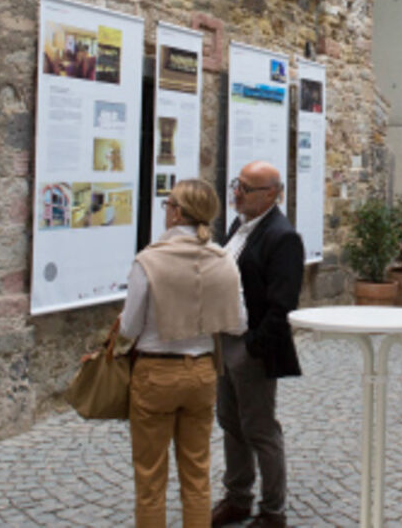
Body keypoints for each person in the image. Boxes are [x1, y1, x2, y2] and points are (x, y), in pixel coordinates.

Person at [120, 179, 244, 528]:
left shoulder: (150, 261)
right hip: (202, 371)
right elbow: (239, 322)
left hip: (156, 371)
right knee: (197, 473)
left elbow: (130, 327)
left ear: (176, 213)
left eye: (168, 205)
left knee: (150, 476)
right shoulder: (224, 261)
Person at [212, 162, 304, 528]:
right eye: (237, 184)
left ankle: (272, 510)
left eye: (246, 188)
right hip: (226, 339)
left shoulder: (282, 237)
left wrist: (252, 348)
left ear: (271, 194)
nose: (236, 192)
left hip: (251, 348)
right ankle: (238, 498)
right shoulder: (239, 225)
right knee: (230, 422)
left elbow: (282, 305)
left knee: (260, 429)